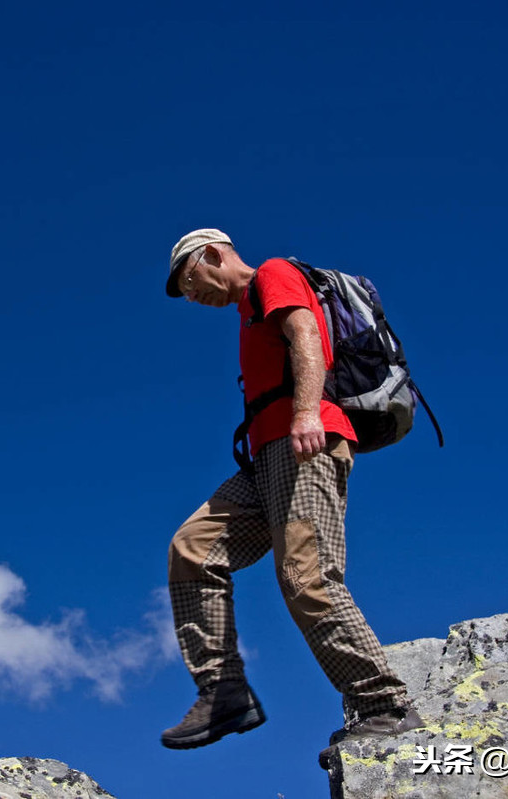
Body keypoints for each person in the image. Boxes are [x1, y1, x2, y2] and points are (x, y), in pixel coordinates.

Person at [159, 228, 423, 751]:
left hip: (305, 445)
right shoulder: (245, 313)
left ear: (212, 254)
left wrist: (306, 413)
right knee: (192, 548)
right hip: (266, 461)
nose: (192, 296)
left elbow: (306, 333)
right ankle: (224, 692)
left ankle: (383, 705)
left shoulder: (274, 273)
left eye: (189, 281)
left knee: (307, 576)